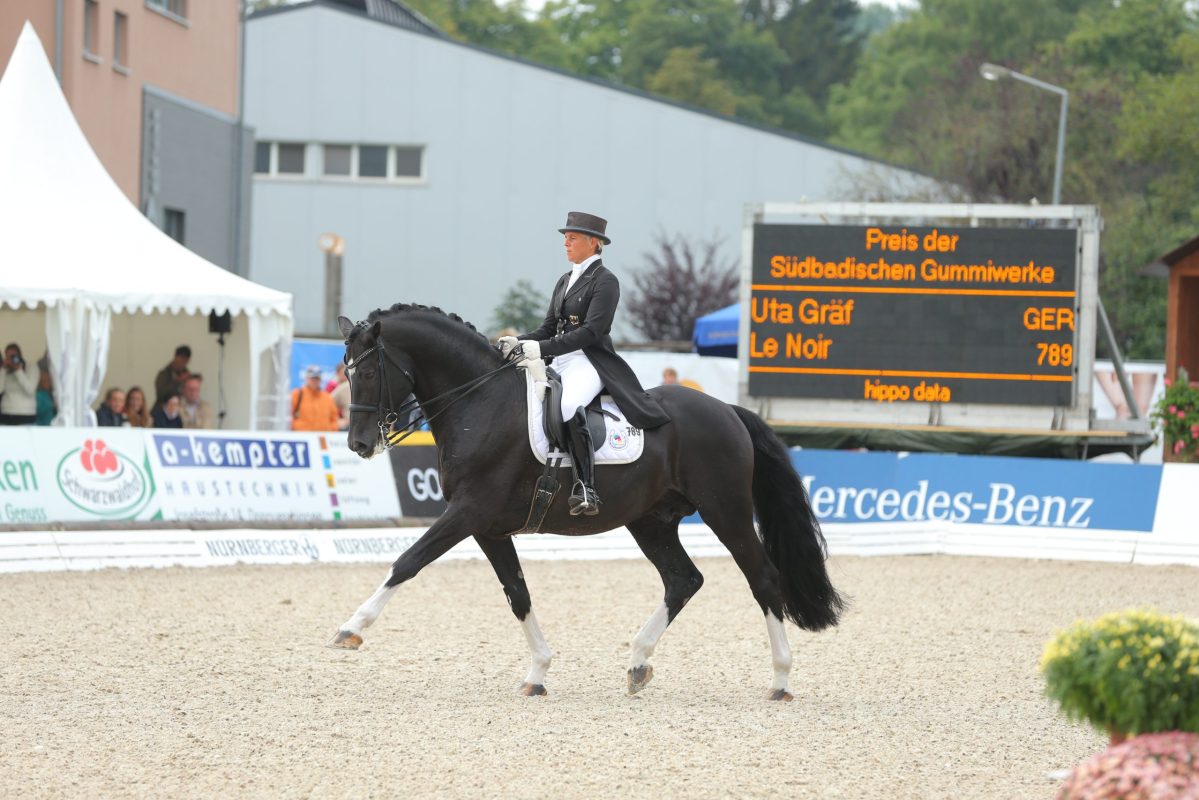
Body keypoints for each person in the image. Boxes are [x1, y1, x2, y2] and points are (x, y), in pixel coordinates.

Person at [499, 211, 671, 517]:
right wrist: (518, 343)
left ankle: (586, 487)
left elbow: (591, 332)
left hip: (589, 360)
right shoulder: (565, 280)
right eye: (565, 237)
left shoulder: (605, 281)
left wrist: (539, 347)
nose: (566, 242)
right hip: (560, 358)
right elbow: (548, 328)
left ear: (593, 243)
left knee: (568, 406)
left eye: (573, 237)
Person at [291, 365, 340, 431]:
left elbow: (334, 419)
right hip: (302, 438)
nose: (315, 381)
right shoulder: (297, 394)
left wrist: (329, 429)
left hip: (322, 438)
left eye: (317, 378)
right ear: (306, 378)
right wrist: (298, 427)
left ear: (320, 380)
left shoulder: (328, 398)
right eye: (312, 378)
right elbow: (290, 417)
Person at [0, 343, 38, 425]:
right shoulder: (5, 370)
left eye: (13, 356)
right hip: (6, 413)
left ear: (20, 355)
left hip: (25, 414)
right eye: (8, 357)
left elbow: (30, 389)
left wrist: (18, 370)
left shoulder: (32, 367)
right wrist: (3, 370)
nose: (11, 359)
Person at [154, 345, 192, 410]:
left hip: (180, 411)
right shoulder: (164, 374)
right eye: (182, 360)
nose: (184, 364)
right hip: (162, 411)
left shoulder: (187, 374)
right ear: (176, 357)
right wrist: (177, 381)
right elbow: (161, 394)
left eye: (186, 361)